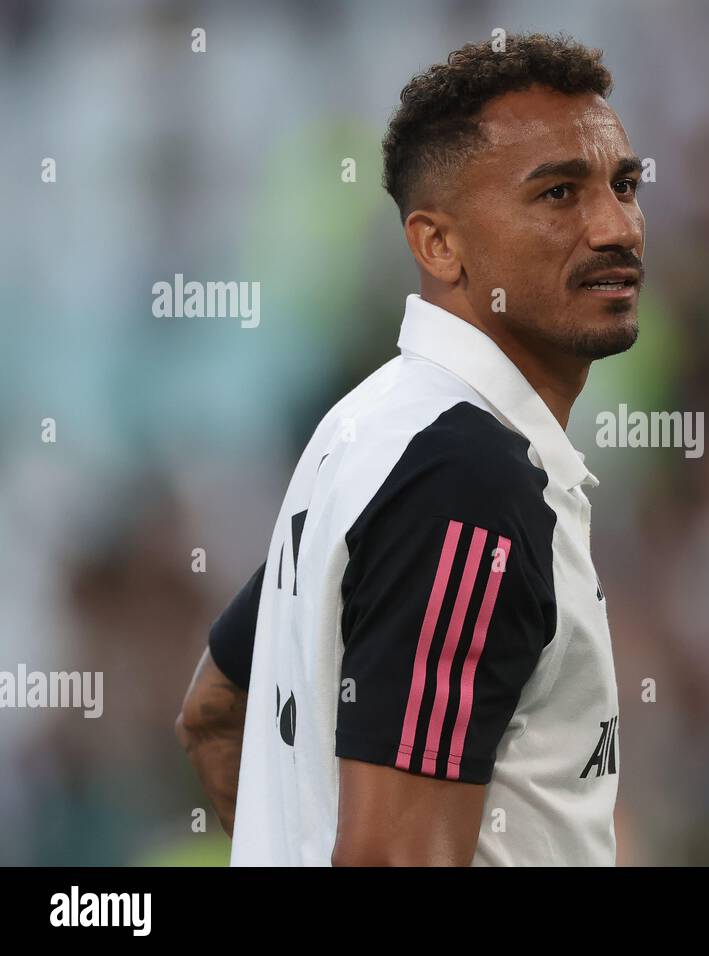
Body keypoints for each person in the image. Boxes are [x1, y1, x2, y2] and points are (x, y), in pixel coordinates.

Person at [175, 31, 645, 866]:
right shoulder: (466, 481)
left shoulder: (373, 428)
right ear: (438, 245)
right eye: (558, 194)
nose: (616, 227)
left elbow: (216, 712)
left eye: (624, 185)